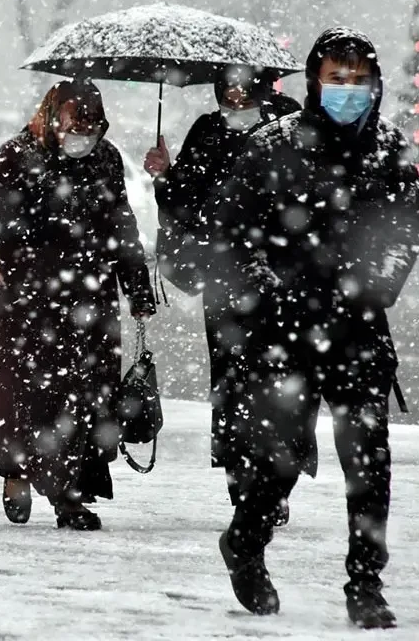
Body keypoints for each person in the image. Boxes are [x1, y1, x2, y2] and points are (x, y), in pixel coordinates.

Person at [206, 27, 419, 628]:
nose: (347, 89)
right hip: (283, 332)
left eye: (358, 80)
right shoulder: (272, 144)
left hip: (359, 330)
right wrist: (268, 293)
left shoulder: (388, 148)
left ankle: (365, 583)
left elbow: (405, 231)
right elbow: (232, 232)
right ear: (314, 82)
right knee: (279, 460)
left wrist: (374, 287)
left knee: (368, 464)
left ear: (375, 84)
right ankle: (245, 541)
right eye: (336, 78)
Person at [0, 78, 157, 531]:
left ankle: (70, 497)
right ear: (54, 115)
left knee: (85, 396)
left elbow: (121, 224)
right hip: (26, 298)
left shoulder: (106, 159)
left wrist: (137, 287)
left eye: (92, 123)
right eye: (76, 120)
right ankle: (17, 470)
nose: (83, 132)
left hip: (89, 298)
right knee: (26, 395)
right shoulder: (19, 154)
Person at [142, 66, 300, 522]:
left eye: (242, 87)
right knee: (233, 382)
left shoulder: (288, 124)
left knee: (280, 383)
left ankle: (275, 479)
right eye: (226, 88)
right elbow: (182, 203)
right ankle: (242, 478)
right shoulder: (208, 131)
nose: (234, 96)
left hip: (282, 279)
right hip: (225, 280)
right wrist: (164, 175)